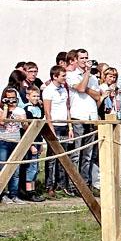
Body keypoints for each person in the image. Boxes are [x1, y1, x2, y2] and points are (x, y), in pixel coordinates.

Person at [65, 49, 100, 189]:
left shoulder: (93, 78)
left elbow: (97, 96)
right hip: (78, 116)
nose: (85, 60)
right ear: (76, 60)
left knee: (88, 154)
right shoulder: (71, 75)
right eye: (82, 58)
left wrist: (86, 87)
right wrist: (86, 75)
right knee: (76, 153)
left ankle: (85, 183)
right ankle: (73, 184)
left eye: (86, 57)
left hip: (91, 116)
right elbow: (80, 88)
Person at [42, 65, 73, 197]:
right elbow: (47, 111)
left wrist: (70, 127)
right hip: (54, 126)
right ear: (55, 76)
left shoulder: (64, 89)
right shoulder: (48, 90)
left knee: (63, 156)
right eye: (63, 76)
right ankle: (49, 185)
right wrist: (51, 130)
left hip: (64, 125)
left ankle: (61, 184)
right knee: (52, 158)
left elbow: (67, 109)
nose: (65, 78)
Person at [0, 87, 28, 204]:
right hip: (3, 141)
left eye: (13, 98)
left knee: (15, 170)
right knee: (3, 168)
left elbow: (26, 127)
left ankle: (14, 194)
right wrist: (6, 107)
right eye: (8, 98)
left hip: (16, 141)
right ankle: (2, 194)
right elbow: (2, 122)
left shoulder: (20, 110)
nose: (11, 100)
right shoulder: (1, 109)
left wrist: (23, 121)